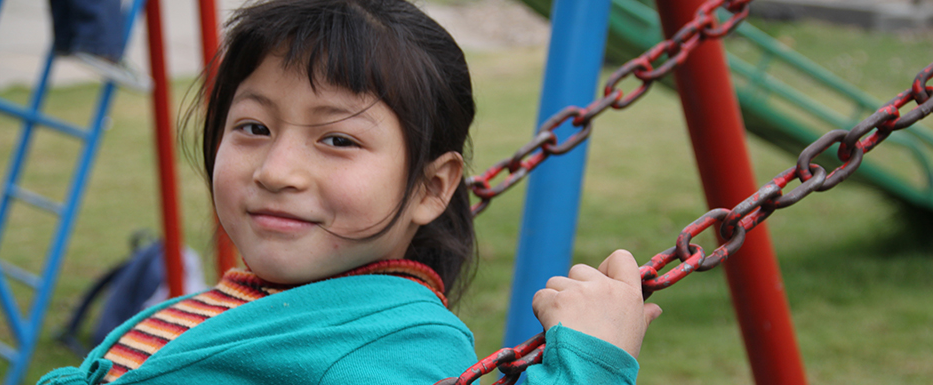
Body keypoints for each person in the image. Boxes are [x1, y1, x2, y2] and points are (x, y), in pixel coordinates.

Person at [37, 1, 661, 384]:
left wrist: (591, 361)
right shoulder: (265, 295)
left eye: (337, 140)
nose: (278, 170)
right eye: (254, 127)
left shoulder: (390, 341)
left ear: (430, 187)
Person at [48, 0, 152, 92]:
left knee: (67, 38)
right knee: (97, 46)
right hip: (96, 40)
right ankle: (99, 47)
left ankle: (70, 38)